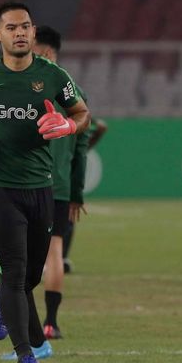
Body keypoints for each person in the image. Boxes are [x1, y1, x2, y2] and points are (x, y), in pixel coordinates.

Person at [0, 1, 90, 363]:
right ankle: (26, 357)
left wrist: (66, 126)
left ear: (32, 32)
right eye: (11, 27)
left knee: (30, 275)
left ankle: (3, 305)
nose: (20, 33)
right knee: (13, 272)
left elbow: (83, 113)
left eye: (25, 27)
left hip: (40, 187)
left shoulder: (52, 75)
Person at [32, 26, 89, 340]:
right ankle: (51, 322)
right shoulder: (76, 92)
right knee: (54, 251)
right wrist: (76, 193)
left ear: (48, 52)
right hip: (61, 187)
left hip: (28, 181)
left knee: (20, 254)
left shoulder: (29, 88)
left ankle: (11, 319)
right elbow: (81, 150)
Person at [62, 117, 108, 274]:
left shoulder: (69, 139)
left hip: (53, 183)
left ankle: (54, 259)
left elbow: (99, 128)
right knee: (65, 223)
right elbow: (100, 127)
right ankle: (59, 259)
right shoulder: (75, 140)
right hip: (63, 186)